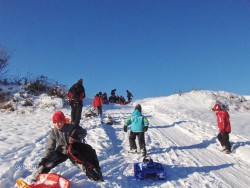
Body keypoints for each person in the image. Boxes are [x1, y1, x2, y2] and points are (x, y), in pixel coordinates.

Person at [31, 111, 103, 182]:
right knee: (47, 163)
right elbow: (50, 147)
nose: (57, 124)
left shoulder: (71, 127)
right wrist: (45, 158)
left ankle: (93, 174)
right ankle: (38, 178)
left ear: (63, 121)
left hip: (74, 151)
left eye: (59, 122)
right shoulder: (53, 132)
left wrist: (77, 137)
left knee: (81, 163)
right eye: (55, 122)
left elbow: (83, 132)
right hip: (61, 152)